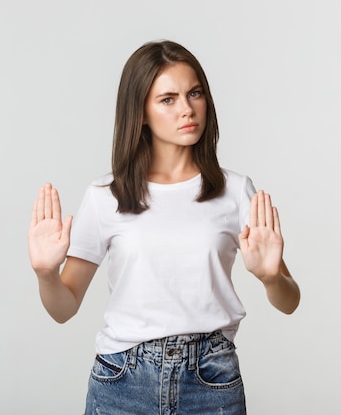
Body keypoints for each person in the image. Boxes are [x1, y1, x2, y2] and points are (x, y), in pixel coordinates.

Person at [28, 39, 300, 414]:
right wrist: (46, 274)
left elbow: (290, 300)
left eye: (194, 93)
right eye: (167, 99)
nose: (187, 109)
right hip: (122, 382)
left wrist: (271, 278)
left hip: (211, 381)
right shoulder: (106, 196)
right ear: (140, 112)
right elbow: (64, 308)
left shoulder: (235, 190)